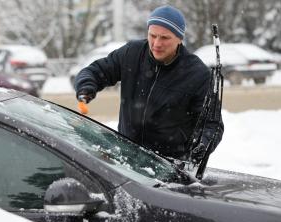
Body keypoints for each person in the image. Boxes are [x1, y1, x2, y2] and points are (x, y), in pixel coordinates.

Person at [75, 5, 223, 163]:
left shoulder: (197, 74)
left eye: (165, 38)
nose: (156, 43)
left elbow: (212, 124)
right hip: (126, 156)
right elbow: (95, 71)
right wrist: (86, 86)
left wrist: (201, 146)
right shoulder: (132, 53)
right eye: (152, 35)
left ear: (180, 39)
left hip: (167, 165)